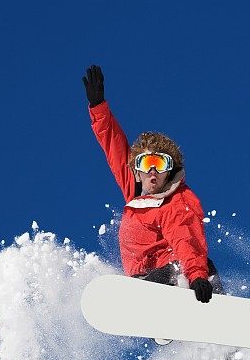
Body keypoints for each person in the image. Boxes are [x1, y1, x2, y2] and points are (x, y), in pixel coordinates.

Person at [82, 65, 224, 306]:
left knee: (178, 270)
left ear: (170, 169)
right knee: (150, 282)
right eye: (146, 162)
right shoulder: (136, 193)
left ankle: (198, 297)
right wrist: (98, 108)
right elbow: (113, 146)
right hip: (144, 278)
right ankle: (164, 316)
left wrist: (197, 275)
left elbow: (186, 238)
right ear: (136, 171)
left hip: (179, 270)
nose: (152, 170)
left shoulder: (176, 200)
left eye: (160, 163)